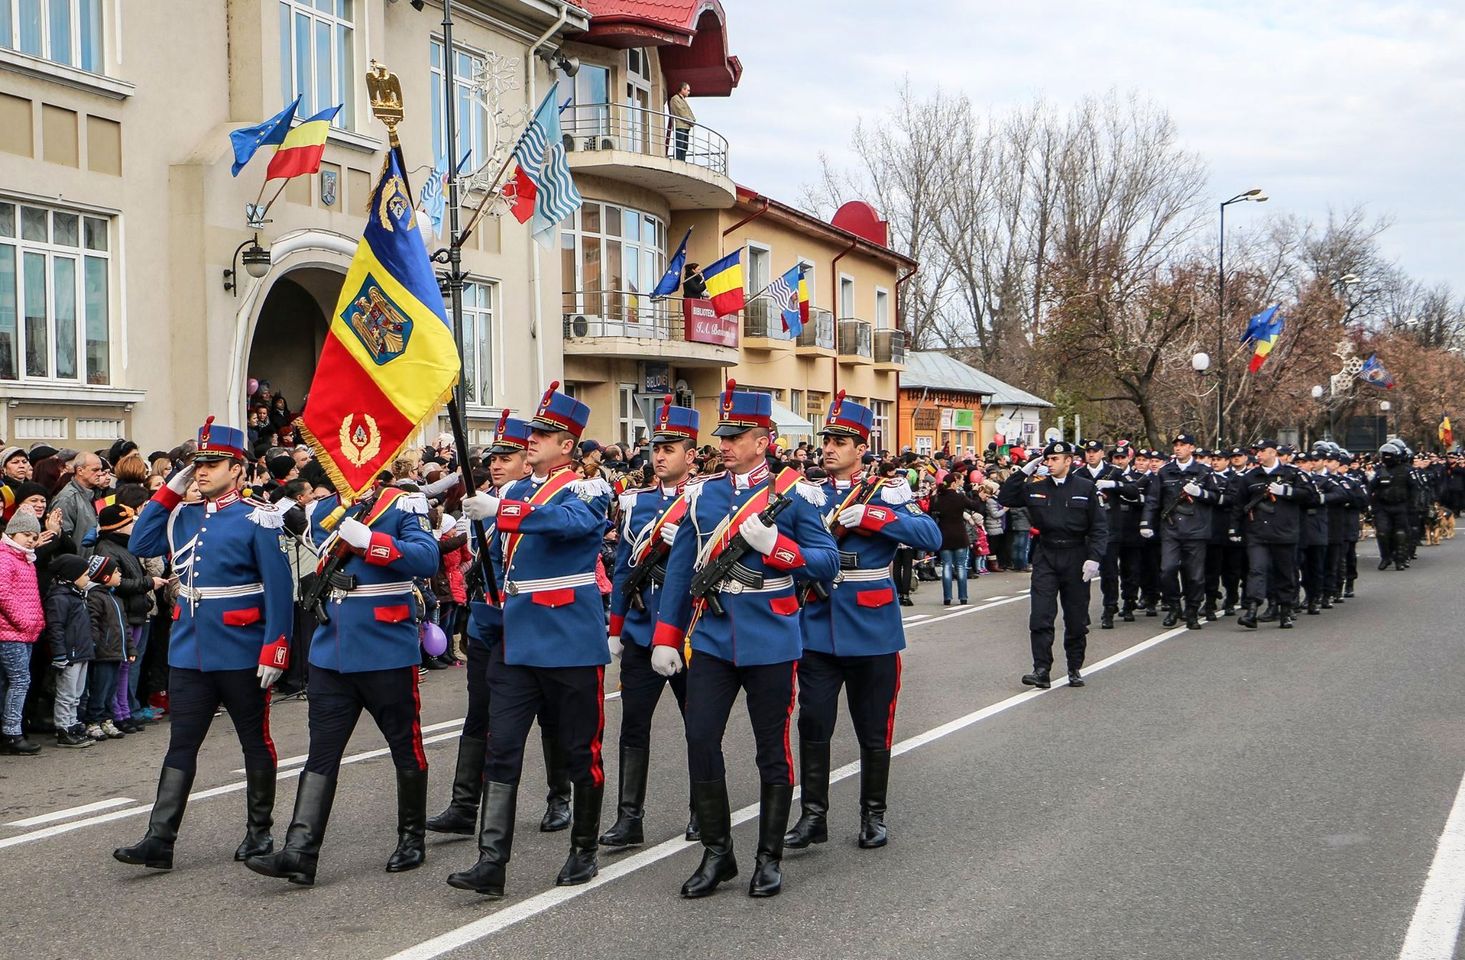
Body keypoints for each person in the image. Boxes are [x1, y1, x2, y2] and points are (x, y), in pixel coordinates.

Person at [648, 381, 839, 899]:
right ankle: (717, 853)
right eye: (723, 436)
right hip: (711, 635)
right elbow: (684, 568)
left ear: (764, 441)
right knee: (699, 737)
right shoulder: (702, 495)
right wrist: (666, 637)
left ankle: (768, 857)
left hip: (772, 636)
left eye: (738, 436)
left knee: (771, 750)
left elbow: (828, 562)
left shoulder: (794, 496)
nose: (726, 445)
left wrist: (778, 546)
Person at [448, 383, 613, 899]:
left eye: (543, 434)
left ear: (567, 444)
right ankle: (490, 862)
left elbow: (573, 526)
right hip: (515, 637)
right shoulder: (516, 491)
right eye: (533, 433)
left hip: (567, 635)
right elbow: (502, 559)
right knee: (503, 747)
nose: (532, 440)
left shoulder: (586, 488)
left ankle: (583, 849)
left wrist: (500, 513)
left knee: (578, 749)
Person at [247, 454, 440, 887]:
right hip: (331, 650)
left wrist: (372, 541)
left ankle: (411, 838)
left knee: (404, 747)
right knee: (322, 753)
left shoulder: (402, 504)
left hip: (385, 648)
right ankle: (300, 851)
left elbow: (427, 561)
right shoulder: (324, 510)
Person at [116, 418, 294, 872]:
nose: (202, 471)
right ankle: (160, 840)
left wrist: (276, 646)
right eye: (198, 464)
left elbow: (278, 588)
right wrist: (170, 490)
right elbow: (140, 540)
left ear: (237, 469)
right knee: (181, 743)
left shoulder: (258, 516)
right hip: (190, 647)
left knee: (254, 740)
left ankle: (259, 832)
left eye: (213, 464)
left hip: (240, 648)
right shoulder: (184, 514)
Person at [785, 393, 939, 853]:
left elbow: (928, 535)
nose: (829, 447)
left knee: (874, 727)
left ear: (861, 446)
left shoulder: (886, 491)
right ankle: (813, 816)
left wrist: (874, 517)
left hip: (871, 626)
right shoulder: (804, 494)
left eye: (840, 440)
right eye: (826, 439)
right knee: (813, 723)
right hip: (816, 620)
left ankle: (873, 815)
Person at [426, 412, 563, 839]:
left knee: (549, 714)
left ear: (529, 460)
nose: (497, 464)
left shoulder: (542, 499)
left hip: (531, 616)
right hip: (488, 616)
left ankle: (560, 797)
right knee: (479, 713)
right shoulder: (481, 502)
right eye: (494, 457)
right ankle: (465, 804)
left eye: (508, 456)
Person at [601, 397, 702, 850]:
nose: (659, 455)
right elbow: (624, 568)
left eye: (670, 447)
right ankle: (629, 817)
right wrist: (616, 628)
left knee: (699, 726)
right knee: (633, 727)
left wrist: (688, 544)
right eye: (655, 448)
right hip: (643, 630)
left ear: (691, 454)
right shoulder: (635, 502)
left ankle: (703, 810)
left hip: (690, 634)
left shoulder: (708, 499)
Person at [999, 441, 1107, 689]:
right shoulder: (1037, 488)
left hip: (1076, 554)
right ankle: (1041, 669)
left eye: (1055, 459)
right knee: (1040, 616)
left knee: (1076, 618)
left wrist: (1095, 557)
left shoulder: (1085, 488)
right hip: (1046, 554)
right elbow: (1006, 497)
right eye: (1047, 460)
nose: (1049, 463)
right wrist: (1025, 470)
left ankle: (1074, 667)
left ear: (1068, 461)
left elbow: (1100, 527)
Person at [1141, 433, 1222, 630]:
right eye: (1176, 445)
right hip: (1171, 528)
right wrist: (1145, 522)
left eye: (1183, 445)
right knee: (1167, 570)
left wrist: (1200, 493)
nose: (1178, 448)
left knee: (1195, 576)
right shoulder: (1165, 472)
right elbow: (1153, 500)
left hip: (1196, 529)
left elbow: (1216, 497)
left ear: (1192, 448)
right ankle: (1174, 606)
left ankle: (1192, 611)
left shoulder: (1204, 472)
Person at [1231, 440, 1307, 629]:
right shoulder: (1250, 477)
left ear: (1273, 453)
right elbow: (1239, 504)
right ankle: (1252, 610)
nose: (1258, 454)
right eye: (1257, 451)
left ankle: (1285, 609)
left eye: (1263, 451)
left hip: (1284, 531)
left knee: (1285, 572)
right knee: (1257, 570)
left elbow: (1309, 495)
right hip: (1257, 532)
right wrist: (1234, 528)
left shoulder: (1292, 474)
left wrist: (1286, 491)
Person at [1, 508, 46, 754]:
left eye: (34, 535)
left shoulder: (24, 558)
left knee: (11, 682)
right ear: (12, 533)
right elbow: (3, 594)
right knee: (19, 681)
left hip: (21, 631)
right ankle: (12, 733)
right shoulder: (6, 557)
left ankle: (10, 729)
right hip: (11, 631)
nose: (30, 539)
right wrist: (25, 622)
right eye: (25, 534)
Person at [1078, 440, 1129, 628]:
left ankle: (1109, 607)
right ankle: (1082, 611)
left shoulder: (1114, 472)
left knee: (1109, 573)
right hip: (1086, 531)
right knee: (1083, 574)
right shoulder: (1079, 474)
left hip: (1109, 529)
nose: (1091, 454)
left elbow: (1132, 490)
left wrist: (1114, 484)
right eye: (1088, 451)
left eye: (1095, 451)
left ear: (1101, 453)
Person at [45, 553, 95, 747]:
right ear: (72, 575)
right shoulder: (59, 598)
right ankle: (63, 728)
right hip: (69, 654)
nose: (88, 578)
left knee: (77, 693)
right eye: (85, 574)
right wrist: (59, 654)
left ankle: (72, 723)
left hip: (81, 651)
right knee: (66, 694)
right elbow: (55, 627)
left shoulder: (77, 595)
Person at [81, 555, 130, 741]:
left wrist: (130, 649)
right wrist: (95, 644)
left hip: (116, 651)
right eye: (116, 572)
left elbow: (124, 627)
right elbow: (92, 623)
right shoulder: (95, 597)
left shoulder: (116, 599)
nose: (120, 575)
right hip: (103, 652)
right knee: (99, 688)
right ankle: (93, 721)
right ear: (105, 577)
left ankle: (107, 720)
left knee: (110, 689)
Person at [928, 472, 983, 605]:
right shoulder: (960, 497)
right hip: (959, 534)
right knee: (961, 566)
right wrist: (975, 493)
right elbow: (976, 506)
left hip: (944, 534)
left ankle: (947, 597)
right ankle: (963, 597)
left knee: (947, 565)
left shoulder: (936, 498)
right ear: (953, 483)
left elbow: (931, 513)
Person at [1370, 441, 1416, 571]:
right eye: (1385, 455)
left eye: (1389, 455)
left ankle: (1400, 560)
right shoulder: (1379, 471)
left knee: (1400, 533)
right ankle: (1386, 557)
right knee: (1382, 533)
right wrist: (1371, 506)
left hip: (1401, 506)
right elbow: (1371, 488)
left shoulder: (1407, 471)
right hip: (1383, 507)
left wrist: (1412, 507)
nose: (1387, 457)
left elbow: (1414, 489)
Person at [51, 451, 106, 544]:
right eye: (95, 470)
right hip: (78, 556)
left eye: (101, 469)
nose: (100, 473)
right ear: (80, 471)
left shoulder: (98, 493)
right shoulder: (67, 498)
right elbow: (62, 538)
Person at [667, 81, 695, 160]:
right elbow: (681, 113)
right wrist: (691, 121)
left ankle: (682, 162)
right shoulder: (675, 99)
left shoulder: (682, 100)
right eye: (688, 90)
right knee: (679, 147)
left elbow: (689, 113)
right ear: (683, 89)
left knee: (684, 147)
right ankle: (678, 162)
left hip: (686, 127)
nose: (689, 92)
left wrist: (693, 120)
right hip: (680, 126)